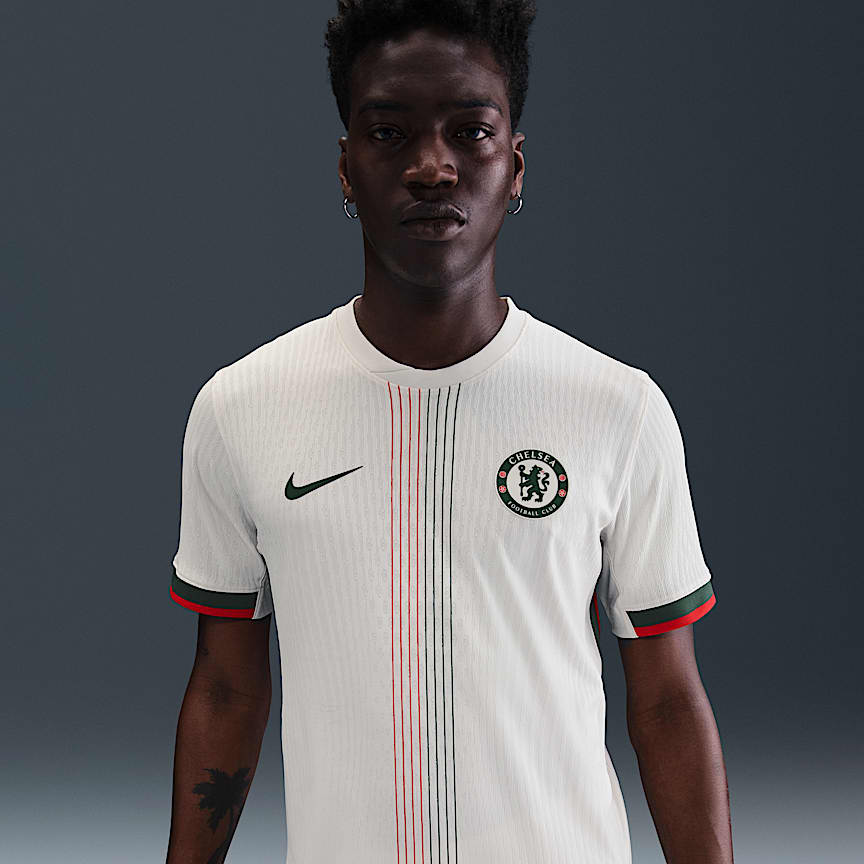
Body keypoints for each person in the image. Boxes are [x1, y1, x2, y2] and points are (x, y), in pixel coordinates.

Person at [165, 1, 733, 862]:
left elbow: (665, 702)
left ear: (515, 167)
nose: (432, 167)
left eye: (471, 132)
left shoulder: (619, 408)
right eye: (389, 133)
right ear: (347, 169)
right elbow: (226, 692)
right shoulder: (241, 408)